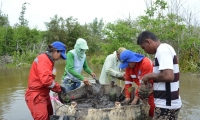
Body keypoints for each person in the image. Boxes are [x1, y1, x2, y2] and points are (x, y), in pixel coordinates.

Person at [137, 31, 182, 120]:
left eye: (144, 47)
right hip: (167, 104)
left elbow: (169, 76)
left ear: (148, 41)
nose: (145, 50)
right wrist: (154, 90)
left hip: (166, 106)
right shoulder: (163, 50)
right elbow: (169, 79)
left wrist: (149, 76)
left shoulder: (162, 50)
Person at [25, 41, 67, 120]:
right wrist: (59, 88)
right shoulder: (44, 59)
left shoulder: (50, 61)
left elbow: (49, 79)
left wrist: (59, 87)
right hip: (36, 95)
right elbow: (46, 80)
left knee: (50, 115)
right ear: (55, 51)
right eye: (60, 55)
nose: (60, 58)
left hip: (44, 94)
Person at [119, 49, 155, 119]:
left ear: (132, 60)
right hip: (141, 89)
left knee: (152, 110)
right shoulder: (128, 68)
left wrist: (135, 99)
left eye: (127, 64)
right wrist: (128, 97)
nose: (127, 67)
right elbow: (128, 83)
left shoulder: (146, 63)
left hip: (152, 89)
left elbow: (145, 84)